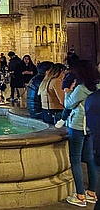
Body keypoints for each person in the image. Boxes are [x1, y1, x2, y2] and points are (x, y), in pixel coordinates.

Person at [61, 59, 99, 207]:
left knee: (75, 160)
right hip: (91, 125)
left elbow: (69, 104)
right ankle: (92, 192)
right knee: (90, 159)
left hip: (78, 125)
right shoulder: (97, 86)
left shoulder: (82, 88)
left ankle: (80, 195)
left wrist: (67, 92)